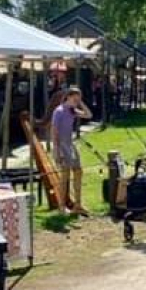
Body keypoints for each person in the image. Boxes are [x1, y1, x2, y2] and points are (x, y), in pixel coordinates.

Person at [50, 87, 93, 215]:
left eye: (79, 98)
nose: (77, 100)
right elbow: (54, 131)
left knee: (79, 171)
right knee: (65, 176)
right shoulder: (59, 111)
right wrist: (56, 151)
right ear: (68, 97)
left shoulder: (72, 110)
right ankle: (62, 206)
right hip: (61, 145)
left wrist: (80, 103)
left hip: (70, 144)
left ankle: (77, 205)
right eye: (75, 97)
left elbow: (89, 115)